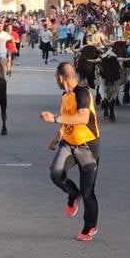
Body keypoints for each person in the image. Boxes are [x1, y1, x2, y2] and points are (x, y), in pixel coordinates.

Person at [40, 62, 101, 241]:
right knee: (55, 173)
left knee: (88, 191)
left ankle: (90, 226)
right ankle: (73, 194)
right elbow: (68, 118)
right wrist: (58, 135)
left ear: (61, 78)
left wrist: (54, 118)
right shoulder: (65, 96)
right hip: (68, 142)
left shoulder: (82, 93)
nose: (56, 81)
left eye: (56, 78)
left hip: (87, 146)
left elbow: (82, 117)